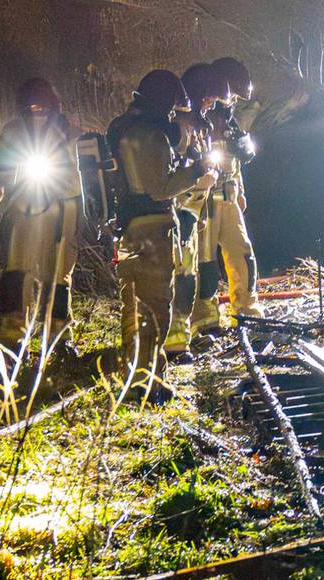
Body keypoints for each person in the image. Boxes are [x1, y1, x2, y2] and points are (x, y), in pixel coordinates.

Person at [106, 69, 218, 402]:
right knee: (156, 305)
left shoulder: (122, 130)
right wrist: (196, 171)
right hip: (154, 228)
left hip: (126, 229)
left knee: (132, 303)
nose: (171, 116)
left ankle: (137, 373)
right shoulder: (150, 135)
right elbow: (161, 187)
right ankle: (148, 381)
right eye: (171, 109)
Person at [0, 78, 81, 355]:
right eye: (32, 106)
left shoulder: (69, 132)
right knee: (16, 273)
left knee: (58, 277)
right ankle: (10, 340)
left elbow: (83, 175)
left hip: (62, 213)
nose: (38, 111)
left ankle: (58, 338)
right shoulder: (13, 132)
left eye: (42, 106)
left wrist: (90, 209)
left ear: (52, 105)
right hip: (23, 209)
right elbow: (0, 174)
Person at [187, 56, 263, 335]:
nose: (232, 104)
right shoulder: (199, 120)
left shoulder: (229, 122)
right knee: (204, 261)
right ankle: (204, 318)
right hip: (204, 200)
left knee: (242, 255)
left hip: (229, 198)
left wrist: (240, 191)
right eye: (230, 99)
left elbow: (236, 161)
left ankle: (246, 310)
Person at [163, 63, 225, 364]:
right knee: (183, 274)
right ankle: (174, 342)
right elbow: (174, 172)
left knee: (195, 272)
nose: (211, 105)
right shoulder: (180, 129)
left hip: (197, 207)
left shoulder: (201, 127)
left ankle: (187, 330)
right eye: (208, 99)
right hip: (183, 208)